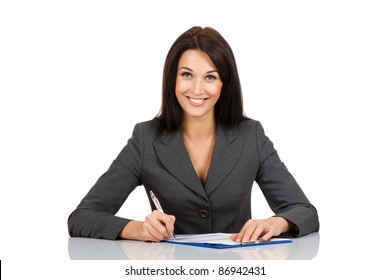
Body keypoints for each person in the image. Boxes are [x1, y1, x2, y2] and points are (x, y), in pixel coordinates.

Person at [68, 26, 319, 243]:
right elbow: (81, 218)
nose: (197, 89)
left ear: (224, 85)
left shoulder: (251, 136)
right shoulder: (146, 139)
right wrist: (139, 229)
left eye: (210, 77)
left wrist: (277, 223)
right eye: (187, 74)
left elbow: (304, 211)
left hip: (236, 270)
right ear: (172, 79)